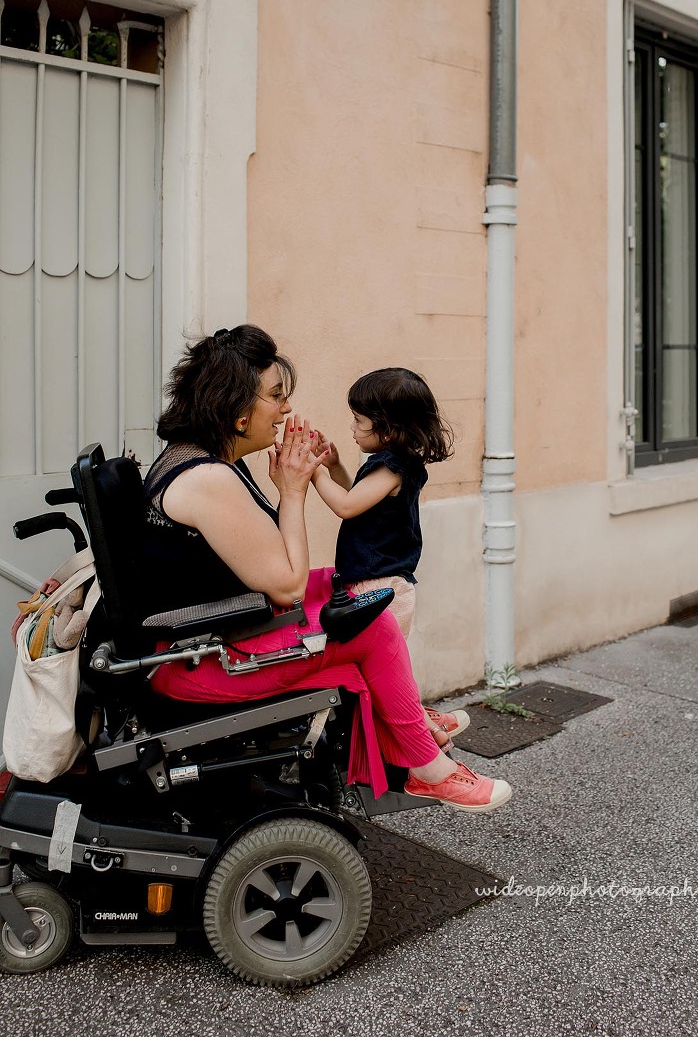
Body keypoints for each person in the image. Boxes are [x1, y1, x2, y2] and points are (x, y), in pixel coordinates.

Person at [142, 325, 511, 813]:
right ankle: (426, 767)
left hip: (209, 638)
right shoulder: (207, 479)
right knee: (373, 624)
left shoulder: (193, 461)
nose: (286, 408)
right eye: (276, 396)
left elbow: (278, 571)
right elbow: (287, 581)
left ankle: (409, 730)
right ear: (237, 411)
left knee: (347, 592)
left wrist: (291, 487)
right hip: (202, 662)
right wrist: (293, 491)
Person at [311, 367, 470, 750]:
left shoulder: (392, 466)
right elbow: (361, 499)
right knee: (387, 671)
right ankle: (426, 723)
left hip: (378, 587)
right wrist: (334, 466)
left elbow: (348, 506)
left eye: (358, 420)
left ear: (386, 426)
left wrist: (312, 475)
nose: (352, 428)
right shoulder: (396, 463)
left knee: (383, 676)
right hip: (383, 583)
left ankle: (428, 743)